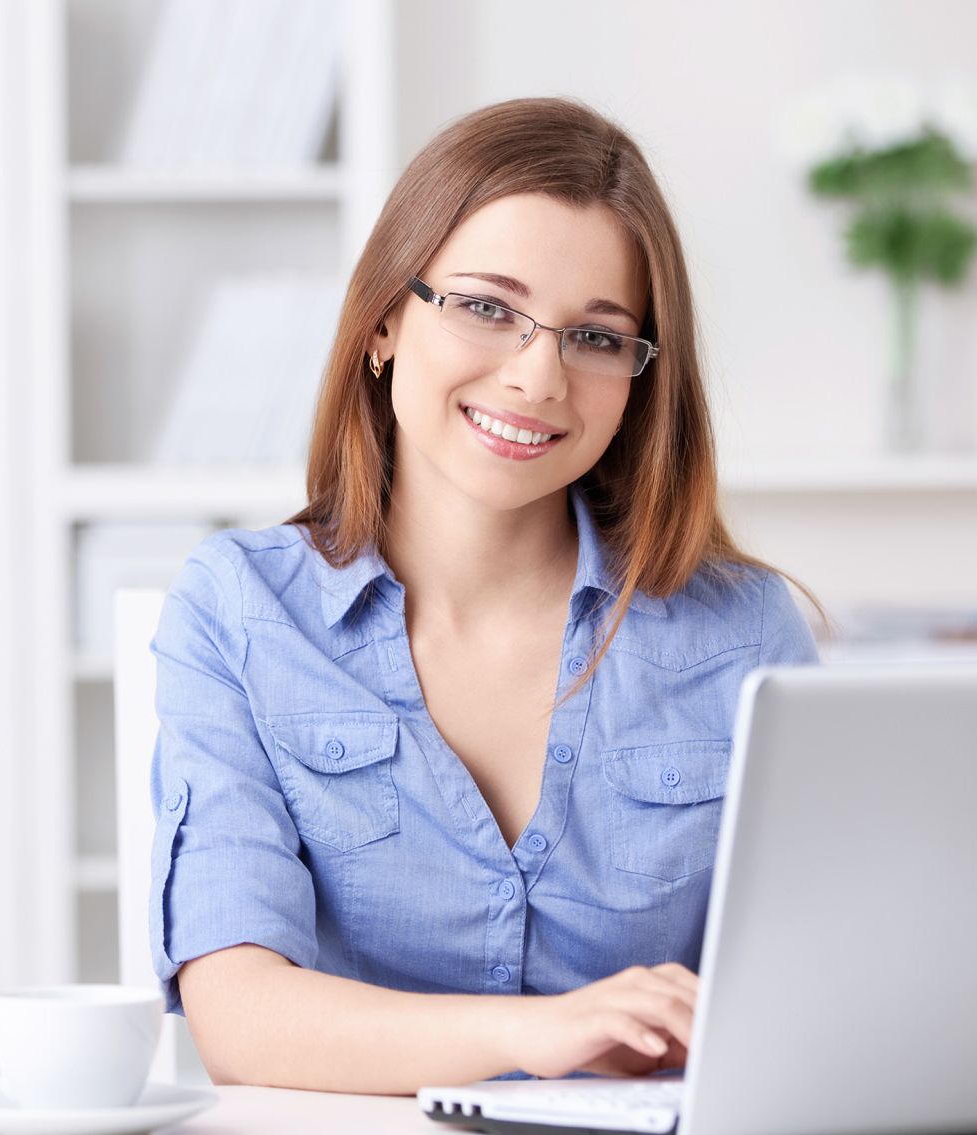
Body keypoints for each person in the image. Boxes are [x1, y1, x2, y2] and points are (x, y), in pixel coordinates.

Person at [148, 96, 820, 1095]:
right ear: (382, 320)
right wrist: (544, 1030)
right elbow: (240, 1013)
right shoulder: (240, 608)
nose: (536, 376)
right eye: (486, 306)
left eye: (598, 337)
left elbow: (817, 985)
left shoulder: (741, 631)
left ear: (640, 377)